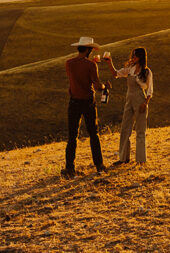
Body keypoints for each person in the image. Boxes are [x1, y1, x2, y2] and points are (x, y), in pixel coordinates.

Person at [63, 36, 106, 177]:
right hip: (88, 102)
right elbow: (97, 86)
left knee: (72, 136)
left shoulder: (69, 63)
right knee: (93, 134)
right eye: (91, 49)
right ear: (88, 50)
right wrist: (104, 86)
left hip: (74, 102)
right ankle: (99, 165)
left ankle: (69, 168)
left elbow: (76, 77)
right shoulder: (91, 65)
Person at [103, 46, 154, 165]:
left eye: (135, 55)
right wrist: (109, 62)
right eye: (133, 55)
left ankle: (141, 160)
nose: (133, 57)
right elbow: (115, 73)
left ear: (141, 57)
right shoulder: (130, 68)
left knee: (140, 130)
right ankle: (123, 158)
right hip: (129, 99)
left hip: (140, 99)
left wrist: (145, 103)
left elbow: (150, 90)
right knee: (125, 128)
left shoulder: (146, 71)